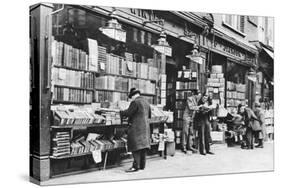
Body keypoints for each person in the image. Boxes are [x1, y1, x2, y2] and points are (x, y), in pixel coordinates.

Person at [120, 88, 151, 172]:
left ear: (133, 95)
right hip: (145, 128)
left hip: (136, 128)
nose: (131, 99)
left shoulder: (135, 102)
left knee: (135, 147)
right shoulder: (146, 102)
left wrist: (121, 112)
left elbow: (128, 113)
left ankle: (135, 166)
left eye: (131, 97)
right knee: (143, 147)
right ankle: (142, 166)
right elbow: (149, 115)